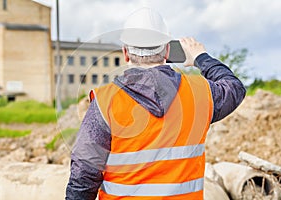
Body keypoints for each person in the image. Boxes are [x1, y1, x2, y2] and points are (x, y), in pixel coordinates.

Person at [66, 7, 246, 200]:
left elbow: (83, 177)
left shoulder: (105, 102)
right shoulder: (200, 94)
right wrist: (201, 58)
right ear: (167, 50)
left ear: (125, 53)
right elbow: (234, 87)